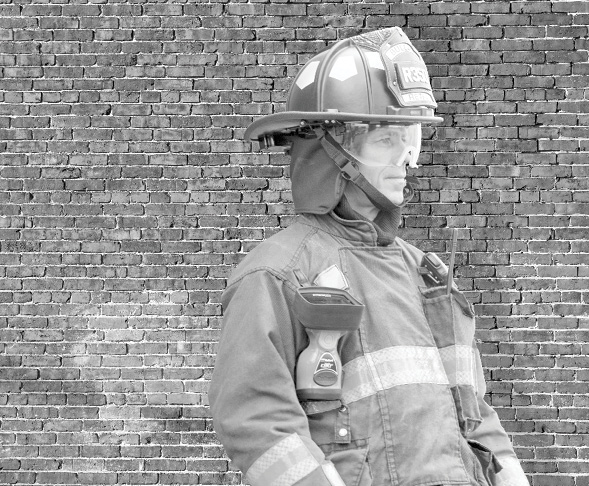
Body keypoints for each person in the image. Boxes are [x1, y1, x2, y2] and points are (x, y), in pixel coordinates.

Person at [209, 27, 531, 486]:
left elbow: (472, 408)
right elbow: (256, 421)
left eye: (411, 140)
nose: (407, 159)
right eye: (385, 141)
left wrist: (510, 474)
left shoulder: (424, 273)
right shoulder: (277, 275)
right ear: (330, 151)